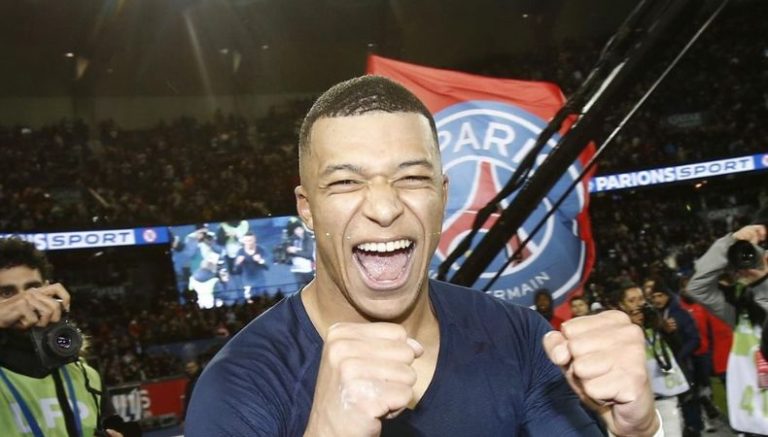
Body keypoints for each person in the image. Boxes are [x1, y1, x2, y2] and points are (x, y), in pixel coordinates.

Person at [186, 75, 660, 436]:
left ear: (442, 195)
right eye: (346, 182)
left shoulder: (519, 338)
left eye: (412, 178)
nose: (384, 208)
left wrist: (639, 431)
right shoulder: (240, 385)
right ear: (307, 209)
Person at [0, 238, 127, 437]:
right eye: (7, 293)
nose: (25, 301)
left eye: (33, 289)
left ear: (49, 289)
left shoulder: (86, 376)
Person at [686, 222, 768, 435]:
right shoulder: (739, 310)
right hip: (754, 423)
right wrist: (729, 243)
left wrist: (763, 281)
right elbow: (697, 287)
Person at [612, 281, 688, 437]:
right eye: (631, 300)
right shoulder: (616, 330)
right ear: (621, 305)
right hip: (636, 404)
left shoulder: (655, 322)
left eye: (640, 299)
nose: (638, 304)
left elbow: (678, 350)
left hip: (664, 398)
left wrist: (668, 332)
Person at [233, 231, 270, 299]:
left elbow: (268, 266)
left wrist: (260, 260)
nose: (248, 243)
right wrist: (238, 263)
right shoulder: (240, 252)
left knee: (263, 300)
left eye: (250, 240)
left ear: (254, 240)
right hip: (247, 283)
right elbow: (236, 271)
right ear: (243, 241)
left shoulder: (261, 249)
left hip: (260, 282)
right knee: (249, 302)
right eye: (246, 241)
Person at [284, 220, 315, 289]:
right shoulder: (292, 239)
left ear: (302, 229)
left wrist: (295, 251)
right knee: (300, 289)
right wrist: (288, 250)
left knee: (310, 287)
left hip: (307, 269)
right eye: (295, 230)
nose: (297, 231)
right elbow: (287, 252)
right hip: (296, 269)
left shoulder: (308, 239)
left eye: (299, 229)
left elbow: (308, 254)